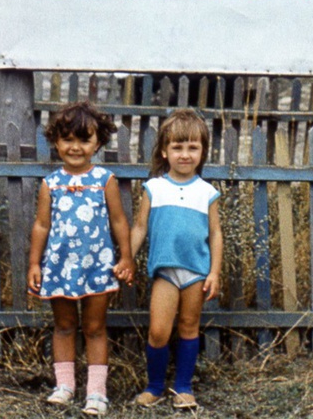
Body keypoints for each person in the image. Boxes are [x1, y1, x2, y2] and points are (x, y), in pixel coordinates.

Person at [27, 100, 134, 416]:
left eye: (84, 139)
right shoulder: (51, 183)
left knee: (95, 327)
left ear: (97, 143)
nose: (75, 147)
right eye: (67, 139)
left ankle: (97, 393)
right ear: (56, 142)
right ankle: (64, 386)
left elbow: (118, 221)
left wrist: (126, 257)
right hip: (59, 267)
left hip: (98, 267)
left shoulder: (105, 180)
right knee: (63, 326)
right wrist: (35, 263)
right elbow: (41, 224)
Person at [130, 108, 223, 409]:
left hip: (196, 271)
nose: (185, 154)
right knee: (158, 331)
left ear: (203, 152)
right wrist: (127, 258)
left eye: (193, 147)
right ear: (164, 151)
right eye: (177, 147)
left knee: (188, 326)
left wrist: (215, 272)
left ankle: (183, 387)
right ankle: (154, 386)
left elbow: (216, 234)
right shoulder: (154, 188)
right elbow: (140, 226)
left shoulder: (207, 192)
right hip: (166, 272)